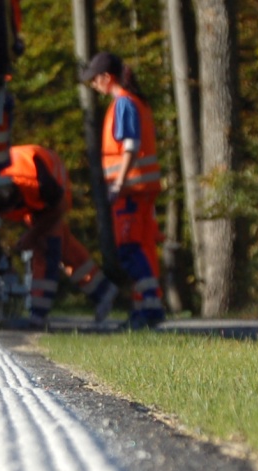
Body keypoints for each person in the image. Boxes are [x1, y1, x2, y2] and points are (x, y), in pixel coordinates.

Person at [0, 144, 120, 329]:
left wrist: (32, 235)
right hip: (33, 184)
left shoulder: (41, 183)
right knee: (65, 247)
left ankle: (38, 314)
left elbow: (58, 208)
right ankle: (103, 290)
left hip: (55, 182)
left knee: (47, 244)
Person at [80, 51, 166, 328]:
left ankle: (149, 308)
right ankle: (147, 307)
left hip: (131, 190)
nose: (94, 85)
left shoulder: (123, 105)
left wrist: (118, 183)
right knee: (142, 248)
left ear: (107, 77)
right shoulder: (135, 103)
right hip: (140, 188)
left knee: (130, 249)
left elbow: (130, 146)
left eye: (94, 80)